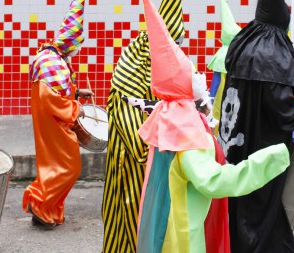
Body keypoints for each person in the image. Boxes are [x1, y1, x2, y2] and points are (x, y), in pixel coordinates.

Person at [136, 1, 292, 252]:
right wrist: (268, 160)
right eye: (191, 72)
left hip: (166, 227)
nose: (199, 75)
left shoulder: (167, 118)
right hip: (185, 237)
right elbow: (213, 181)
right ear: (181, 85)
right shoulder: (185, 132)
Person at [218, 0, 294, 251]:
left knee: (241, 197)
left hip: (236, 140)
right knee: (261, 201)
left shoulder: (244, 43)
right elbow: (276, 97)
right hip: (262, 145)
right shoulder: (270, 50)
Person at [101, 0, 185, 251]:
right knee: (129, 227)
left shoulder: (149, 64)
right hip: (131, 171)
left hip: (150, 170)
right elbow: (139, 142)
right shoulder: (130, 76)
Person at [22, 0, 93, 229]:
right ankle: (41, 204)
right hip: (54, 123)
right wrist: (76, 109)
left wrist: (78, 92)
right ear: (70, 42)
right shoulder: (52, 60)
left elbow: (57, 90)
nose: (77, 49)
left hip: (51, 123)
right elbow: (50, 98)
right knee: (68, 167)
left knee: (54, 167)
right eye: (77, 44)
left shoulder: (53, 57)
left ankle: (46, 210)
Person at [207, 0, 241, 135]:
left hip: (223, 97)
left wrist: (210, 99)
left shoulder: (223, 55)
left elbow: (214, 83)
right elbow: (216, 81)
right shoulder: (234, 53)